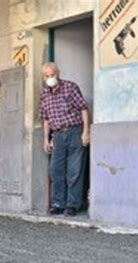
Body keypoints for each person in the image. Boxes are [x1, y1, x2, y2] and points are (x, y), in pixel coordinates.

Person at [39, 62, 90, 217]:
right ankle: (58, 203)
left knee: (75, 170)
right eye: (47, 76)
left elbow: (83, 109)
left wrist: (86, 132)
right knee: (55, 170)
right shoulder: (44, 94)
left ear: (58, 73)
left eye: (52, 74)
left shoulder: (70, 87)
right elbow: (45, 118)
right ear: (44, 77)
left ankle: (73, 204)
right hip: (58, 135)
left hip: (74, 131)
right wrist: (46, 138)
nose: (50, 78)